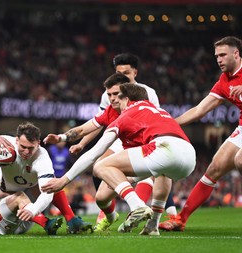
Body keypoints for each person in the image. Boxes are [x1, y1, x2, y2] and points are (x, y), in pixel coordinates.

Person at [42, 83, 196, 236]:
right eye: (110, 95)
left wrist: (63, 180)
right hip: (188, 155)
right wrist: (64, 137)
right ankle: (152, 225)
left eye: (118, 97)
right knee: (160, 172)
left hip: (162, 149)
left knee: (100, 166)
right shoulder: (158, 110)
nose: (114, 100)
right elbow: (85, 128)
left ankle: (137, 206)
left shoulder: (127, 113)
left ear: (127, 100)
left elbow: (94, 153)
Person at [159, 36, 242, 232]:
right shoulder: (225, 81)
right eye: (216, 56)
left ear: (236, 54)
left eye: (223, 55)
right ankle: (181, 219)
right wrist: (169, 124)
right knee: (214, 168)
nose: (219, 60)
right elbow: (199, 110)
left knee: (240, 160)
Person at [0, 121, 92, 234]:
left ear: (38, 143)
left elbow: (48, 193)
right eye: (23, 147)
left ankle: (71, 219)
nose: (26, 152)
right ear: (16, 140)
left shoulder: (42, 158)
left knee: (52, 183)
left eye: (31, 148)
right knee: (18, 193)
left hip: (28, 187)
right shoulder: (5, 143)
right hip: (5, 195)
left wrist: (34, 210)